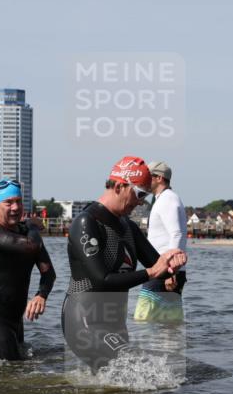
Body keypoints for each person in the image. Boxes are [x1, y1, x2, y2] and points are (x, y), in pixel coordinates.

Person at [62, 157, 187, 371]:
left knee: (121, 390)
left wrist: (172, 266)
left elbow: (158, 267)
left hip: (115, 324)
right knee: (138, 370)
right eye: (139, 194)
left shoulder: (128, 227)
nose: (140, 202)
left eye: (145, 196)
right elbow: (101, 280)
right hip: (84, 322)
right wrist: (150, 272)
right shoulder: (87, 222)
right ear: (120, 186)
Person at [0, 178, 56, 360]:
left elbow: (49, 273)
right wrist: (32, 225)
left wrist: (41, 295)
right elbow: (32, 245)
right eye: (8, 202)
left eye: (18, 201)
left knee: (18, 367)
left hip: (15, 319)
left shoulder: (25, 234)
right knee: (11, 371)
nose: (15, 207)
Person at [134, 161, 188, 323]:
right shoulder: (165, 199)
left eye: (146, 177)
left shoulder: (167, 200)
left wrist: (170, 271)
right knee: (169, 325)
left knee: (142, 318)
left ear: (158, 178)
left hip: (164, 272)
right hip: (167, 270)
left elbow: (176, 234)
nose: (142, 181)